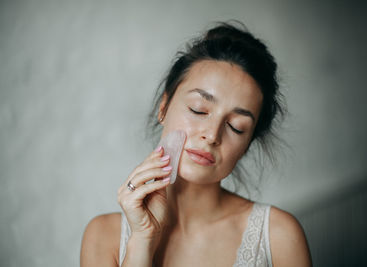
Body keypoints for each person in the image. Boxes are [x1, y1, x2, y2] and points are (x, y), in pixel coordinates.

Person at [80, 22, 312, 267]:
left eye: (236, 127)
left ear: (247, 144)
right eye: (198, 110)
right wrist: (142, 239)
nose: (212, 135)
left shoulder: (279, 236)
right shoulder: (103, 236)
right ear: (163, 107)